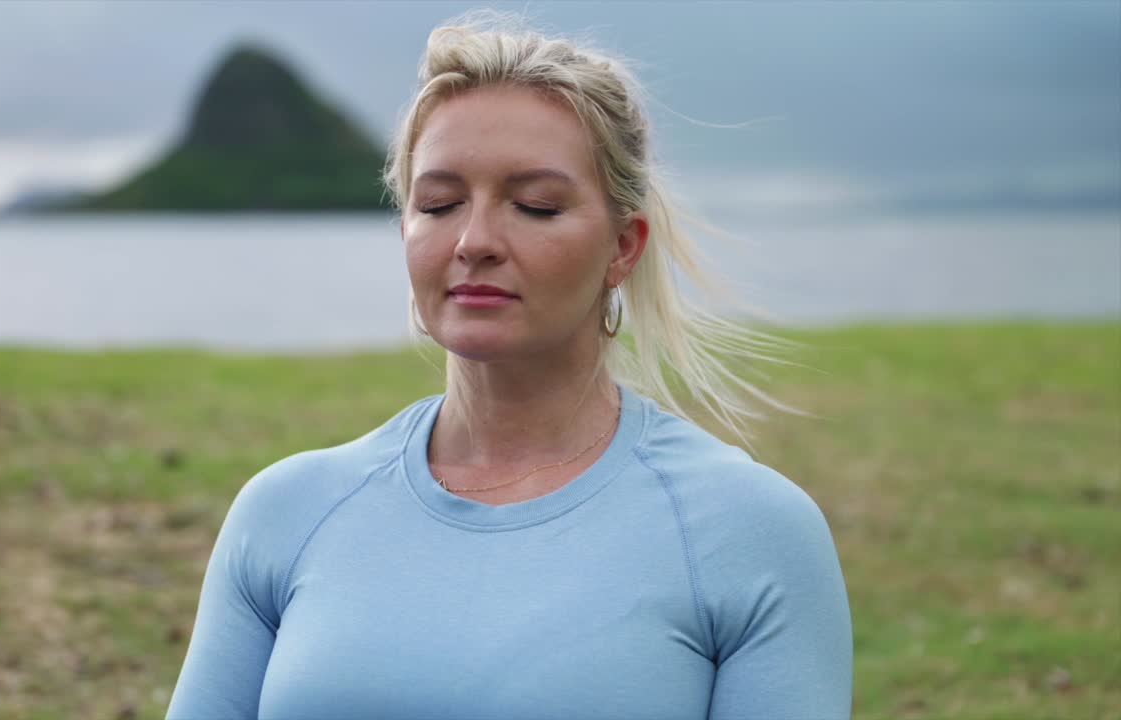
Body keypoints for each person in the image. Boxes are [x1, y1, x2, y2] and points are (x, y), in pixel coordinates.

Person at [167, 13, 852, 720]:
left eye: (534, 205)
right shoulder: (285, 514)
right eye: (439, 204)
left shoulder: (749, 531)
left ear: (623, 247)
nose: (475, 241)